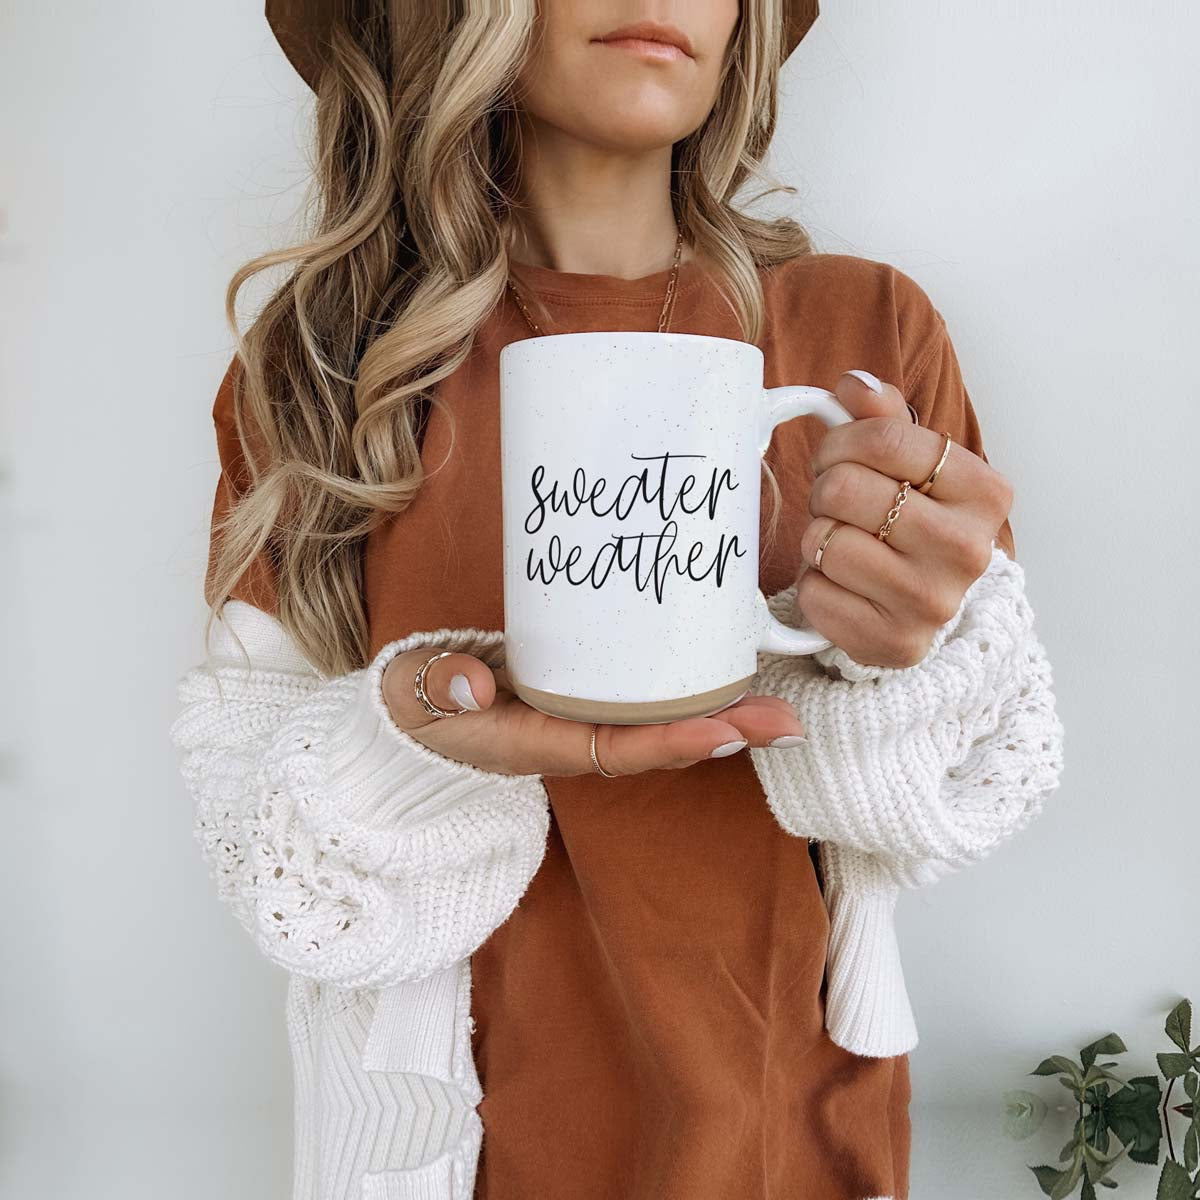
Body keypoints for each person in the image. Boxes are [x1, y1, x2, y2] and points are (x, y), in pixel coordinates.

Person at [170, 2, 1065, 1198]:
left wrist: (899, 663)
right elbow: (261, 851)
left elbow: (957, 799)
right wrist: (409, 740)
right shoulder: (323, 374)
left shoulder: (865, 338)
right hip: (448, 1155)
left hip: (791, 1132)